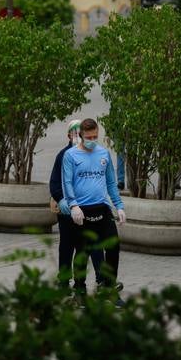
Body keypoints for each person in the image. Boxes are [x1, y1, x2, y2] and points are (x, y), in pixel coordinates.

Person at [62, 117, 126, 303]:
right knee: (83, 251)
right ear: (81, 135)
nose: (92, 140)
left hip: (102, 208)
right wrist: (73, 205)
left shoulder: (103, 154)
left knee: (113, 247)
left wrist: (119, 206)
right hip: (82, 211)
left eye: (95, 136)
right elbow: (67, 183)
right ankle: (80, 291)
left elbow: (111, 183)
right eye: (89, 137)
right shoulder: (71, 156)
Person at [49, 119, 103, 290]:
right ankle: (64, 281)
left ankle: (85, 283)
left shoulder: (92, 154)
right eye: (73, 132)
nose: (77, 136)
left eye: (78, 132)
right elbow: (54, 183)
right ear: (68, 135)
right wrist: (61, 200)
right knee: (66, 247)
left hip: (87, 210)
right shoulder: (63, 155)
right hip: (66, 213)